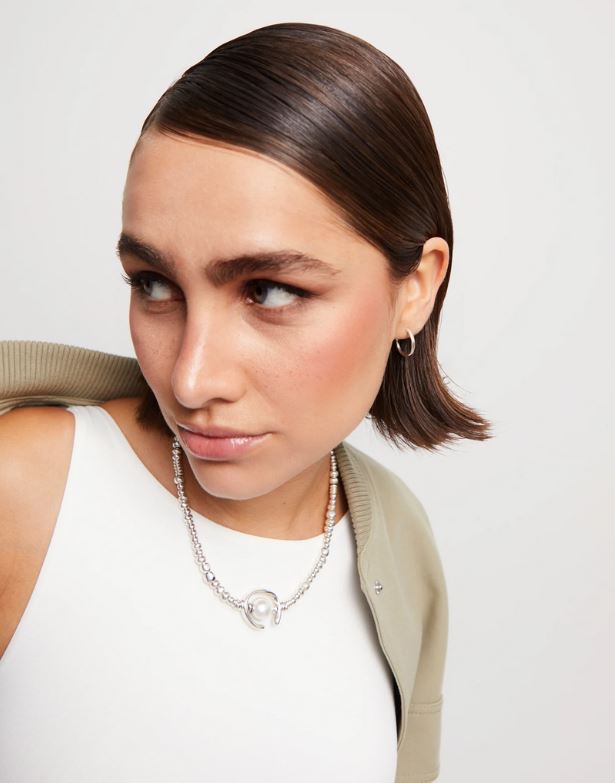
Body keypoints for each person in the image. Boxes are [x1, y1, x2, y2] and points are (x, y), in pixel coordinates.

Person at [0, 21, 492, 783]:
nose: (190, 379)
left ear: (415, 288)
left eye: (269, 291)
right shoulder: (24, 487)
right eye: (153, 284)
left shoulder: (397, 544)